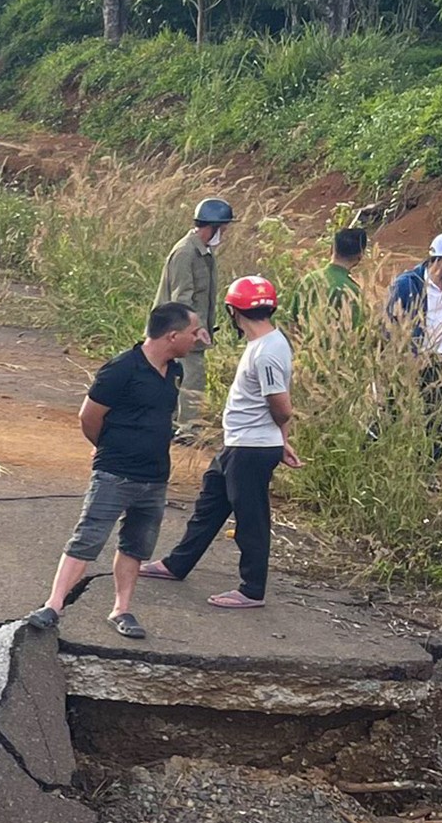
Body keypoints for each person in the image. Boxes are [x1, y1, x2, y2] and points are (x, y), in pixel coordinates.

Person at [28, 302, 208, 641]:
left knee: (136, 545)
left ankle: (121, 609)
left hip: (154, 477)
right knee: (89, 536)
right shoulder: (121, 369)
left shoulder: (175, 370)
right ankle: (53, 604)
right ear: (172, 335)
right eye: (193, 332)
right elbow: (89, 416)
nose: (197, 339)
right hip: (115, 473)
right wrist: (105, 447)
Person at [143, 276, 297, 609]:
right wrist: (280, 439)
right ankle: (177, 563)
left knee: (250, 518)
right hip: (241, 443)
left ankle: (252, 589)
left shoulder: (267, 352)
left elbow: (282, 406)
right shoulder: (266, 344)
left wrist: (276, 438)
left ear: (232, 311)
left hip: (251, 448)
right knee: (209, 506)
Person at [388, 232, 442, 460]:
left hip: (441, 360)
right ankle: (370, 457)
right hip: (410, 360)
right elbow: (390, 324)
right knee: (391, 412)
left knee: (438, 418)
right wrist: (410, 354)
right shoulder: (407, 284)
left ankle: (428, 468)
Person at [156, 198, 234, 439]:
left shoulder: (204, 253)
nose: (225, 233)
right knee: (192, 376)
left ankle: (169, 422)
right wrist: (195, 329)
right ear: (211, 227)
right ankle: (189, 429)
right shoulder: (186, 252)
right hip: (178, 329)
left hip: (186, 329)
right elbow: (183, 298)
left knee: (176, 377)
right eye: (223, 228)